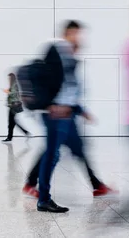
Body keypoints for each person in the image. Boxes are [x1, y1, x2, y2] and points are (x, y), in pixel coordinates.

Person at [36, 21, 108, 213]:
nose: (79, 38)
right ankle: (43, 198)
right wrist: (50, 104)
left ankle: (96, 184)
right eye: (75, 33)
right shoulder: (55, 50)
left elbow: (70, 85)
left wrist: (80, 109)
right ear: (68, 33)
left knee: (77, 149)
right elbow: (46, 79)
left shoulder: (69, 54)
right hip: (55, 114)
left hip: (68, 113)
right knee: (52, 155)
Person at [2, 73, 30, 143]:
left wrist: (8, 92)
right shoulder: (13, 85)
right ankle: (25, 132)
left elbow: (14, 94)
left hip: (13, 106)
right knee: (13, 122)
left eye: (9, 78)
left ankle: (10, 138)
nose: (8, 79)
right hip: (12, 105)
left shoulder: (14, 85)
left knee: (11, 123)